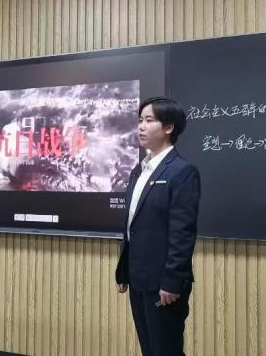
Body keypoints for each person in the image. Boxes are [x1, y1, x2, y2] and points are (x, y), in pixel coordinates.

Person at [115, 97, 201, 356]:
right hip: (138, 277)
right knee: (149, 348)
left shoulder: (182, 172)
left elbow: (183, 233)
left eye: (149, 120)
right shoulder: (138, 171)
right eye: (140, 120)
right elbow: (132, 226)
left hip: (164, 282)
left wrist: (172, 281)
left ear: (168, 127)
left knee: (166, 350)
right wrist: (124, 272)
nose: (141, 126)